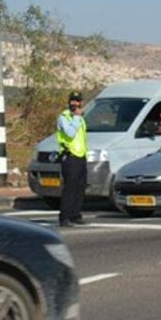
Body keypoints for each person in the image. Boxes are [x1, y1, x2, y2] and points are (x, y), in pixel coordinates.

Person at [56, 90, 88, 227]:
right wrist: (76, 117)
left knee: (80, 187)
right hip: (70, 156)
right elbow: (69, 133)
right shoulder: (64, 117)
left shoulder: (81, 118)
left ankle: (75, 214)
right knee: (69, 188)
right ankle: (64, 216)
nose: (75, 103)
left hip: (81, 156)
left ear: (81, 103)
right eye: (72, 101)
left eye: (77, 101)